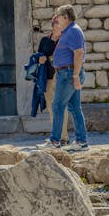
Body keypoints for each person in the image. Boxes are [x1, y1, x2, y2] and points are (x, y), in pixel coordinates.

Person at [39, 4, 88, 151]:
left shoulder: (72, 31)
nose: (56, 18)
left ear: (65, 17)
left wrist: (75, 76)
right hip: (66, 73)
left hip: (68, 74)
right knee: (74, 108)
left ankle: (55, 141)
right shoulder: (69, 30)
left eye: (58, 15)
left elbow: (78, 53)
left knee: (57, 105)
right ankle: (81, 142)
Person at [38, 15, 69, 145]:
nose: (59, 26)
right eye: (57, 24)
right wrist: (41, 59)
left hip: (62, 77)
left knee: (61, 106)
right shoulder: (45, 40)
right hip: (48, 78)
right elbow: (39, 54)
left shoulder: (66, 39)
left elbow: (69, 57)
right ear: (53, 25)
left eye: (61, 24)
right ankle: (57, 135)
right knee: (51, 107)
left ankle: (63, 137)